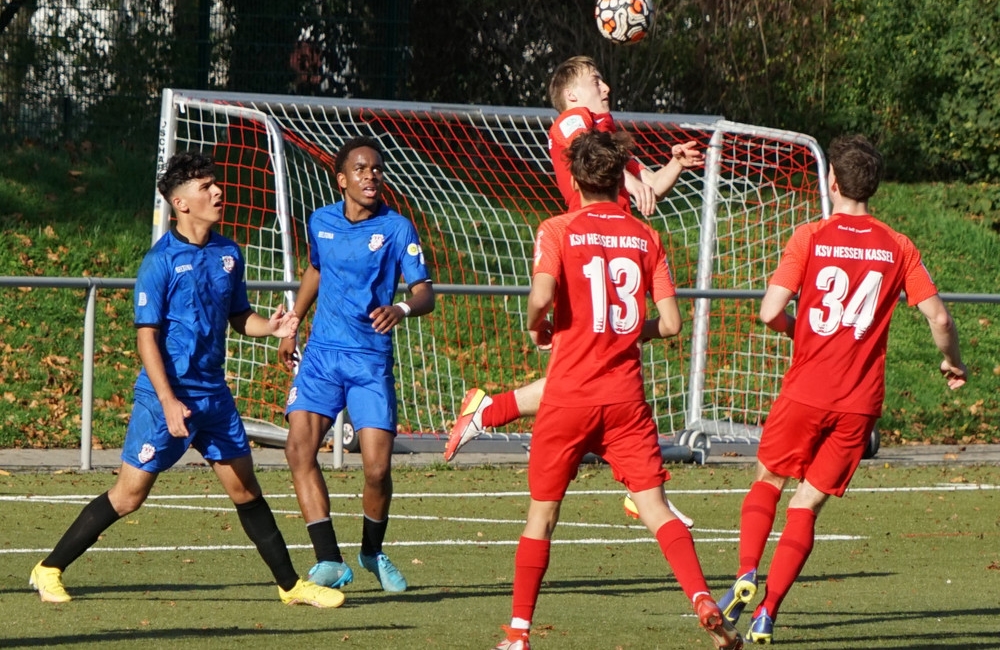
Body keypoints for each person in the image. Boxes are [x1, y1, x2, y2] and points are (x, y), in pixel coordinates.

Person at [29, 152, 343, 608]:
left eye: (216, 183)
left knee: (245, 489)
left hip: (213, 396)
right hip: (166, 397)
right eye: (205, 187)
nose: (218, 192)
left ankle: (291, 587)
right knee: (129, 496)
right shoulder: (159, 262)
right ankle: (48, 568)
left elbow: (240, 317)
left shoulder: (229, 253)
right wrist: (167, 400)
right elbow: (146, 339)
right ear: (180, 203)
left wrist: (271, 327)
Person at [490, 128, 742, 650]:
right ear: (619, 179)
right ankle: (701, 598)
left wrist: (537, 325)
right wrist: (632, 331)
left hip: (568, 396)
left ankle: (518, 634)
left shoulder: (557, 228)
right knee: (656, 508)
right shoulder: (645, 236)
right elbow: (671, 324)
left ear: (575, 177)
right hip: (625, 400)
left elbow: (541, 296)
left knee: (542, 517)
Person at [716, 134, 967, 644]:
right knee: (807, 504)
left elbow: (769, 311)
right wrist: (952, 362)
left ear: (832, 181)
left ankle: (746, 572)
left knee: (768, 479)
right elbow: (939, 318)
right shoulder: (898, 245)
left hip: (805, 390)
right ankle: (768, 612)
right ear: (874, 186)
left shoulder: (810, 235)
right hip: (858, 404)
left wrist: (800, 330)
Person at [445, 56, 703, 472]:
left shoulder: (605, 134)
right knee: (594, 373)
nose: (606, 89)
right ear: (571, 94)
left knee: (590, 372)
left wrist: (674, 164)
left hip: (615, 243)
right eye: (596, 81)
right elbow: (588, 151)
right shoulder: (573, 121)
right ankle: (638, 477)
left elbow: (651, 186)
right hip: (587, 245)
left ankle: (490, 411)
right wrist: (625, 176)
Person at [278, 135, 434, 595]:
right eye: (361, 169)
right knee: (298, 450)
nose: (371, 176)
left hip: (369, 360)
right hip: (322, 356)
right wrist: (292, 324)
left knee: (377, 470)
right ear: (342, 179)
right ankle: (328, 558)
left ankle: (371, 551)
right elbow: (316, 269)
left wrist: (401, 308)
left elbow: (424, 292)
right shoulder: (320, 221)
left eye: (377, 169)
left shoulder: (397, 228)